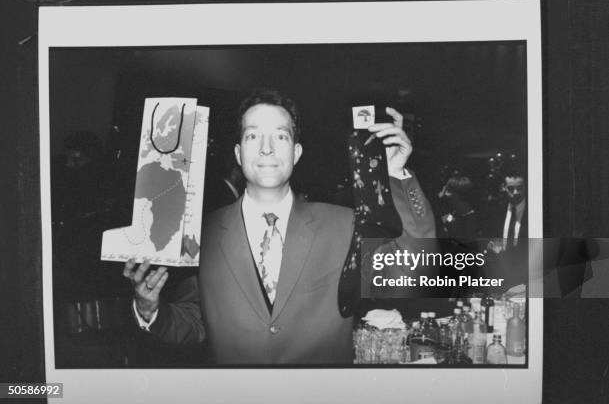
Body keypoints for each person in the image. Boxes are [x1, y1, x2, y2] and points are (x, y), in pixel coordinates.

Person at [123, 89, 434, 364]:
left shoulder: (343, 223)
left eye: (281, 136)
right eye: (253, 135)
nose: (267, 148)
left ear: (296, 153)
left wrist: (396, 174)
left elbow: (414, 271)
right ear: (238, 153)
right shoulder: (199, 233)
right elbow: (194, 321)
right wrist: (151, 310)